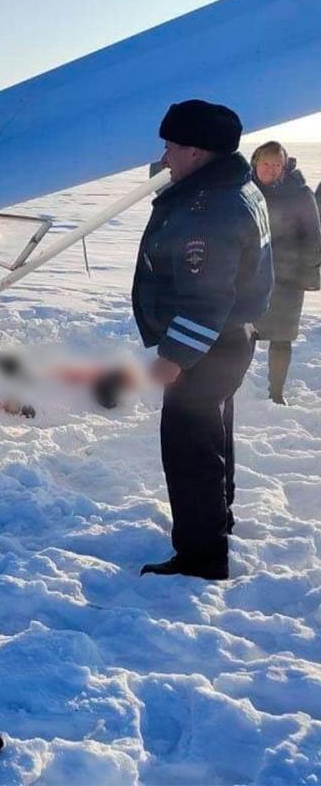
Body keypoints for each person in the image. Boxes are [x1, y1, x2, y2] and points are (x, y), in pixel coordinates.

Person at [132, 100, 273, 580]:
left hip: (208, 345)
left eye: (171, 146)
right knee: (213, 437)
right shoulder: (231, 184)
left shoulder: (209, 211)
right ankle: (217, 520)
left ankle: (201, 556)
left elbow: (206, 297)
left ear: (196, 151)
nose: (165, 156)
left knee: (189, 449)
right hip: (229, 340)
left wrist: (175, 357)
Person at [250, 143, 321, 404]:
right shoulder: (243, 190)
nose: (270, 170)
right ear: (255, 162)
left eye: (276, 165)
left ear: (284, 166)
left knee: (281, 337)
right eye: (265, 164)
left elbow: (313, 237)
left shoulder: (299, 194)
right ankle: (233, 386)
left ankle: (276, 393)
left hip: (287, 277)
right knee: (243, 333)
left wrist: (309, 276)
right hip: (248, 275)